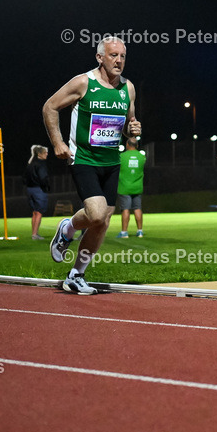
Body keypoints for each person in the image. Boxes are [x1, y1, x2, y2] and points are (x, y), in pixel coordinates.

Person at [43, 35, 141, 294]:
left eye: (122, 56)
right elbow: (50, 107)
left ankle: (76, 275)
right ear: (100, 57)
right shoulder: (83, 82)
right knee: (96, 214)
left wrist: (133, 130)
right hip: (84, 158)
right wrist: (57, 143)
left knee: (103, 222)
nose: (118, 61)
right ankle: (68, 228)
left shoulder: (128, 88)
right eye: (113, 55)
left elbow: (128, 129)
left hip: (111, 161)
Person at [116, 137, 146, 238]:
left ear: (127, 145)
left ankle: (124, 232)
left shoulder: (121, 156)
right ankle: (140, 231)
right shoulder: (142, 157)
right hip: (137, 186)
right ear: (137, 145)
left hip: (124, 187)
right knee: (137, 208)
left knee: (125, 209)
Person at [24, 145, 51, 240]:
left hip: (30, 189)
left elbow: (24, 178)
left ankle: (34, 233)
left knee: (35, 212)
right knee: (39, 212)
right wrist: (47, 187)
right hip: (38, 190)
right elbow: (43, 178)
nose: (47, 154)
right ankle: (35, 234)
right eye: (45, 152)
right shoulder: (40, 164)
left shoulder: (30, 163)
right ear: (39, 154)